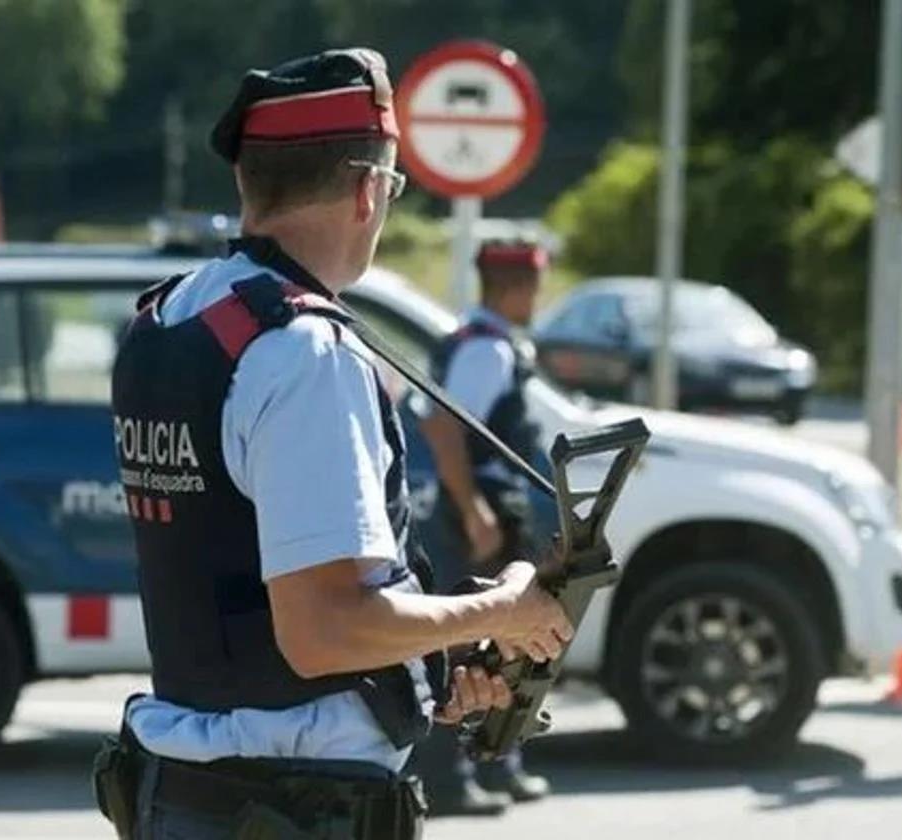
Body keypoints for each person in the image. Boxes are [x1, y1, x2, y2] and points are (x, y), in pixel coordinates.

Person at [101, 49, 573, 839]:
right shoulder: (304, 354)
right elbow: (321, 632)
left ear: (248, 182)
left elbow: (244, 593)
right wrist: (501, 610)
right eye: (392, 189)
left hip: (189, 791)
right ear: (366, 189)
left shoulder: (171, 320)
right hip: (288, 805)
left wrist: (431, 665)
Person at [412, 239, 551, 816]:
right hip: (477, 507)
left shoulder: (480, 339)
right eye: (534, 287)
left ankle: (498, 763)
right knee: (465, 645)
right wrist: (474, 511)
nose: (536, 299)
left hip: (487, 503)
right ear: (515, 288)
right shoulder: (486, 350)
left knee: (506, 644)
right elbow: (444, 429)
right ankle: (448, 778)